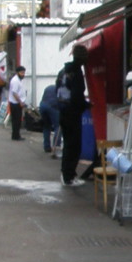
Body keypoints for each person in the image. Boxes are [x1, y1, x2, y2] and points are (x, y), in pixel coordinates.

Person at [56, 45, 88, 186]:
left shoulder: (63, 71)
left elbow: (57, 90)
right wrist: (86, 105)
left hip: (63, 111)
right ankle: (69, 176)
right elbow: (77, 96)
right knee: (74, 145)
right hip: (73, 112)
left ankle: (66, 173)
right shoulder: (77, 73)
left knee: (68, 144)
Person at [6, 64, 29, 141]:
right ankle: (16, 135)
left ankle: (16, 135)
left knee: (17, 120)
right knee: (16, 120)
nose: (23, 74)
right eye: (22, 73)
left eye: (24, 73)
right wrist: (20, 102)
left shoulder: (18, 80)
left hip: (17, 103)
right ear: (17, 73)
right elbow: (14, 93)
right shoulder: (15, 81)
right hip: (15, 103)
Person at [38, 81, 61, 155]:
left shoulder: (49, 87)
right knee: (58, 126)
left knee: (46, 126)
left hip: (42, 106)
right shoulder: (60, 89)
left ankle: (47, 147)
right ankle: (56, 147)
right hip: (52, 107)